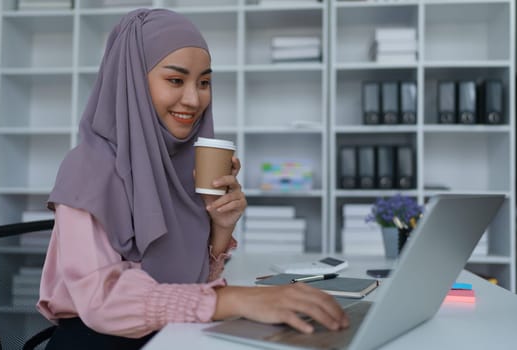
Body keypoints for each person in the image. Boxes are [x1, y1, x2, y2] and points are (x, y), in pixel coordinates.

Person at [37, 8, 348, 349]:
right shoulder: (87, 167)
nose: (194, 99)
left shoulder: (179, 166)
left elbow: (187, 284)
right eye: (175, 80)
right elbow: (102, 300)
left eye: (204, 82)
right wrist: (233, 301)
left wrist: (220, 228)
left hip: (168, 334)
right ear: (132, 81)